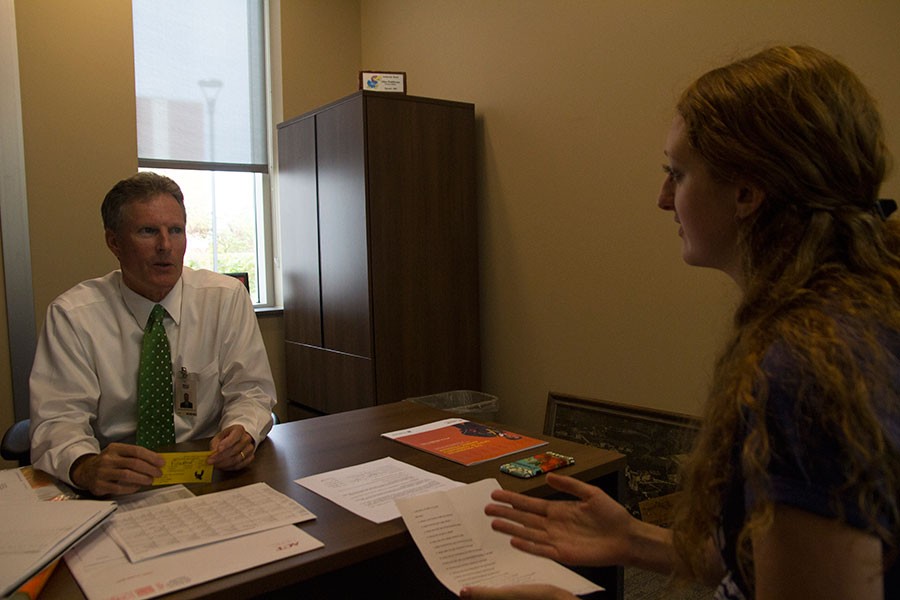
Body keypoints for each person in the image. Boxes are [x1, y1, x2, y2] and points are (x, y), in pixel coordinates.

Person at [461, 46, 900, 599]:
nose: (663, 199)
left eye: (678, 173)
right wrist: (638, 540)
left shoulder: (810, 372)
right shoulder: (864, 307)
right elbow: (780, 565)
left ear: (746, 191)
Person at [29, 172, 277, 497]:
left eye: (175, 230)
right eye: (148, 231)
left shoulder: (225, 298)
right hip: (116, 485)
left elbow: (252, 391)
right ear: (114, 242)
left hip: (209, 475)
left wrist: (242, 430)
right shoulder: (73, 316)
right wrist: (85, 465)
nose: (165, 246)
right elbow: (57, 420)